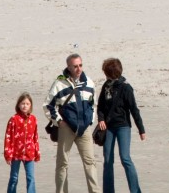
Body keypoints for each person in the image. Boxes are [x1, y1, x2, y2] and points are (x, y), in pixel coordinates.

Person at [47, 53, 100, 193]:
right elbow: (48, 106)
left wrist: (90, 120)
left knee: (90, 163)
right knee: (62, 164)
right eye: (75, 66)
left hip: (84, 129)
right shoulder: (59, 83)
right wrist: (58, 121)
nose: (78, 69)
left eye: (80, 65)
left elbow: (93, 104)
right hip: (66, 128)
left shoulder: (89, 82)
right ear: (69, 67)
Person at [96, 57, 145, 193]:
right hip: (108, 127)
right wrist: (101, 119)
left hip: (123, 126)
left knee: (125, 158)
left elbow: (134, 109)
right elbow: (100, 106)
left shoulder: (126, 88)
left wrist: (141, 129)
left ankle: (135, 191)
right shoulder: (106, 86)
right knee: (107, 160)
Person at [3, 92, 40, 193]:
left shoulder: (33, 119)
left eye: (27, 104)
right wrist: (8, 154)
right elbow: (8, 137)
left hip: (29, 153)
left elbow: (35, 137)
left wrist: (37, 153)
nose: (25, 106)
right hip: (16, 153)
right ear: (18, 105)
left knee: (31, 178)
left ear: (30, 105)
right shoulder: (13, 119)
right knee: (14, 177)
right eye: (23, 103)